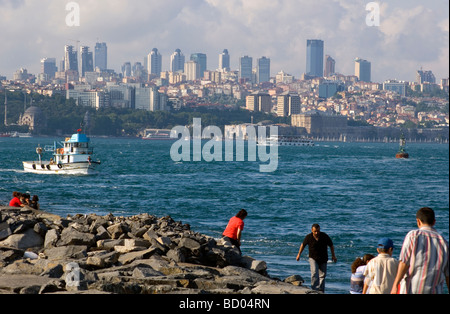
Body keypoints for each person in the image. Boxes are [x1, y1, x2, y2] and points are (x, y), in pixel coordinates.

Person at [391, 207, 449, 294]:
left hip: (412, 289)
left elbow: (404, 262)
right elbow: (448, 274)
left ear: (418, 221)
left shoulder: (413, 236)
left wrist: (395, 284)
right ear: (434, 222)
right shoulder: (444, 242)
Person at [296, 224, 337, 292]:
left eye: (318, 231)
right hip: (313, 258)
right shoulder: (308, 237)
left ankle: (321, 290)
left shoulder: (324, 236)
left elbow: (331, 245)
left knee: (322, 275)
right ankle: (314, 289)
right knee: (314, 272)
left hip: (323, 258)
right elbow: (303, 245)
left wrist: (333, 255)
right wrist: (299, 254)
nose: (316, 233)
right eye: (315, 231)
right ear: (312, 230)